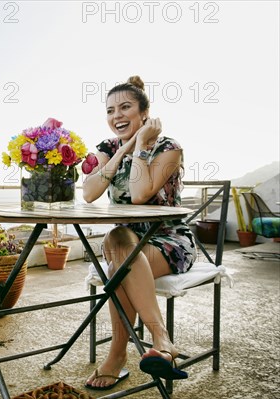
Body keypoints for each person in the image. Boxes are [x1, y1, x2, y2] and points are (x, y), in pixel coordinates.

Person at [82, 76, 196, 390]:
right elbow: (90, 193)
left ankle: (118, 355)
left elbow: (139, 194)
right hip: (124, 239)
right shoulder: (107, 148)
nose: (116, 115)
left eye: (125, 107)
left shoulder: (169, 148)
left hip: (168, 240)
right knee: (120, 241)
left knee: (120, 263)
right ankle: (162, 341)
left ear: (144, 113)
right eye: (110, 110)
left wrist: (143, 146)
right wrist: (124, 150)